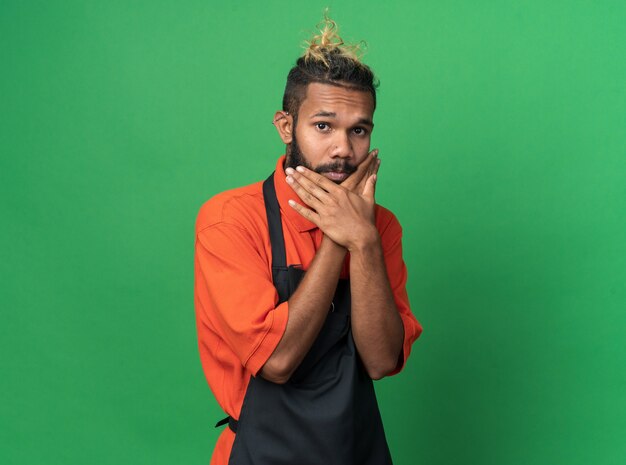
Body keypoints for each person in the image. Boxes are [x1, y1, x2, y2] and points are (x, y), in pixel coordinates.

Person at [194, 16, 422, 465]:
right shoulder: (230, 220)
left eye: (359, 129)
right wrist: (342, 236)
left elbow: (380, 362)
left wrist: (367, 242)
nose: (343, 148)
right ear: (285, 126)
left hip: (357, 452)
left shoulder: (383, 228)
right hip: (261, 453)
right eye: (323, 126)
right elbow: (276, 362)